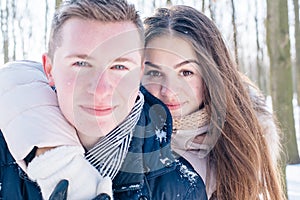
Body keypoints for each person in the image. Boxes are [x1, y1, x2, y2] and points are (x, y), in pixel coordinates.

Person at [0, 1, 208, 200]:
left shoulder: (184, 187)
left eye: (119, 67)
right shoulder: (5, 153)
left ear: (140, 73)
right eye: (81, 63)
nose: (100, 90)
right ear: (49, 69)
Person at [141, 5, 286, 200]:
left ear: (211, 77)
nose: (169, 91)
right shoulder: (114, 138)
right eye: (155, 73)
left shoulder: (239, 151)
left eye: (186, 73)